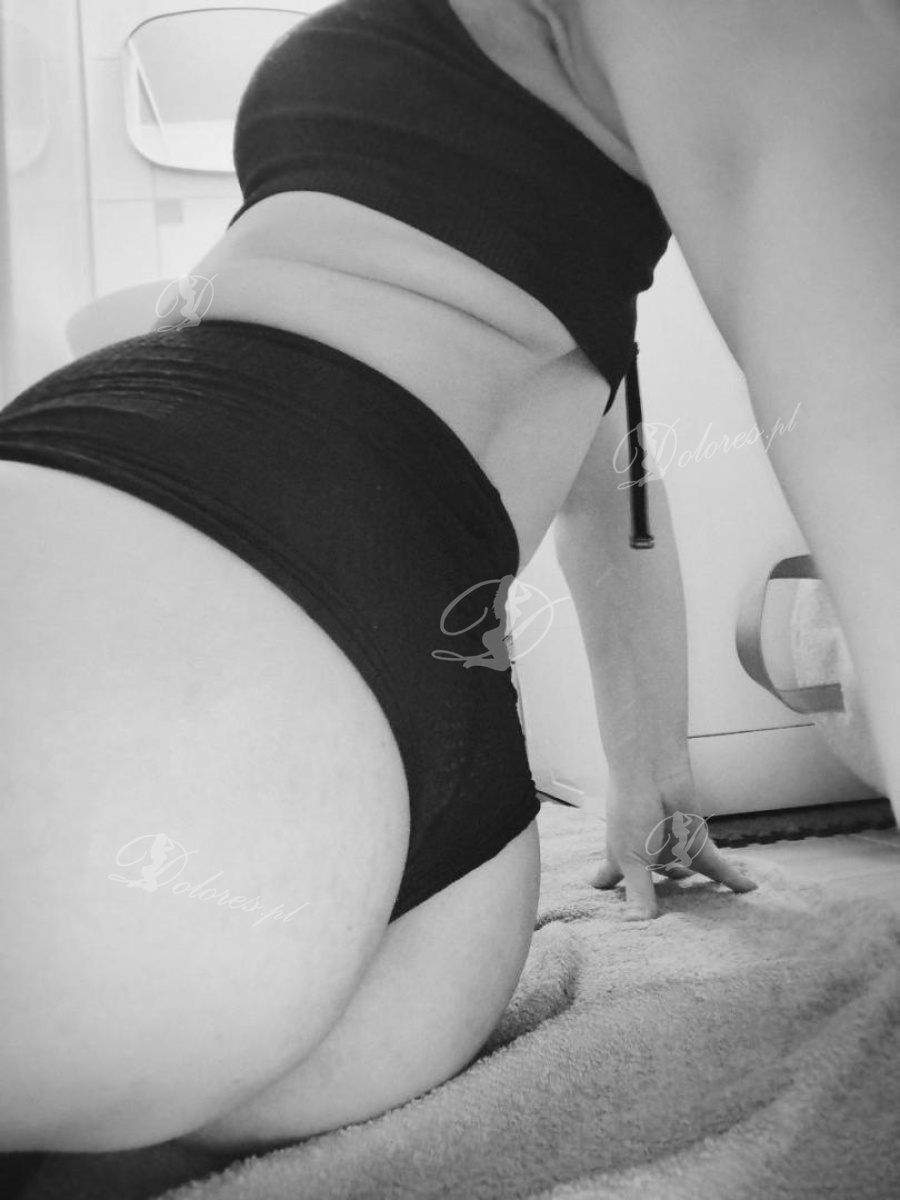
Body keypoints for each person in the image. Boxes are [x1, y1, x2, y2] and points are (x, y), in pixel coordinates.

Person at [0, 0, 896, 1160]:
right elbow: (611, 494)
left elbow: (861, 429)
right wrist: (651, 773)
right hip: (435, 914)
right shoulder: (581, 238)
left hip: (197, 575)